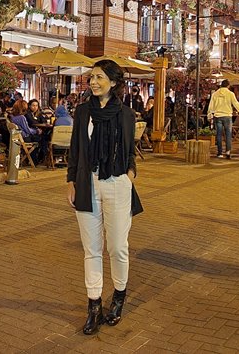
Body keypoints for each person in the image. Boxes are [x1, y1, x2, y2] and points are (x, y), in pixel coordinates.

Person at [66, 59, 142, 335]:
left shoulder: (126, 115)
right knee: (92, 249)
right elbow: (75, 150)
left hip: (117, 184)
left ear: (113, 82)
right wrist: (71, 181)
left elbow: (131, 153)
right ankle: (94, 305)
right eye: (91, 78)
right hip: (88, 183)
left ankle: (119, 296)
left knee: (118, 247)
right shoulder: (83, 111)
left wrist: (128, 177)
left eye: (99, 77)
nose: (93, 82)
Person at [207, 80, 239, 159]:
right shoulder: (230, 94)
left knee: (219, 135)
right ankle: (228, 152)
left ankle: (220, 153)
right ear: (228, 86)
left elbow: (211, 105)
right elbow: (236, 104)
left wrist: (209, 115)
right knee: (228, 134)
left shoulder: (215, 94)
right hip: (227, 116)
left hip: (218, 116)